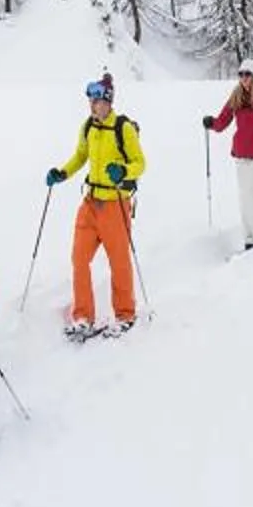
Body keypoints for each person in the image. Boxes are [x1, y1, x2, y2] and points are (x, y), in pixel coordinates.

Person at [47, 79, 146, 335]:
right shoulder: (88, 126)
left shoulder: (123, 128)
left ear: (108, 101)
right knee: (79, 259)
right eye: (91, 100)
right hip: (90, 203)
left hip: (116, 204)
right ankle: (83, 317)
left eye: (98, 100)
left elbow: (140, 163)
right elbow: (81, 156)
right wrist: (62, 173)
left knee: (119, 262)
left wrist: (123, 170)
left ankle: (125, 314)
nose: (93, 105)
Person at [203, 63, 253, 251]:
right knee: (243, 197)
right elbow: (223, 120)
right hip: (241, 153)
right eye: (241, 74)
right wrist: (212, 123)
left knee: (248, 193)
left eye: (247, 74)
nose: (244, 78)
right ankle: (250, 237)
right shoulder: (237, 95)